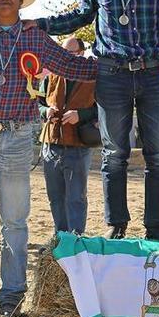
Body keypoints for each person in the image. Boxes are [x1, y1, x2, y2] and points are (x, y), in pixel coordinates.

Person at [0, 0, 96, 317]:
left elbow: (71, 65)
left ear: (20, 1)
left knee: (15, 220)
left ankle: (12, 293)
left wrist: (115, 67)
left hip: (17, 136)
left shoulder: (34, 38)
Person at [32, 0, 159, 244]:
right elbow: (81, 16)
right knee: (114, 153)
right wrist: (41, 25)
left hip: (154, 71)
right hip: (111, 72)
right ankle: (117, 224)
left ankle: (155, 227)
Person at [37, 36, 97, 234]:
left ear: (81, 53)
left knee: (76, 197)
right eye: (64, 53)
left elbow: (105, 108)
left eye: (71, 53)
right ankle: (60, 237)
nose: (66, 57)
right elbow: (36, 102)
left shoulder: (93, 76)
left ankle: (76, 239)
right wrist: (46, 111)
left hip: (79, 144)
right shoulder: (51, 74)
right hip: (51, 143)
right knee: (55, 196)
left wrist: (81, 115)